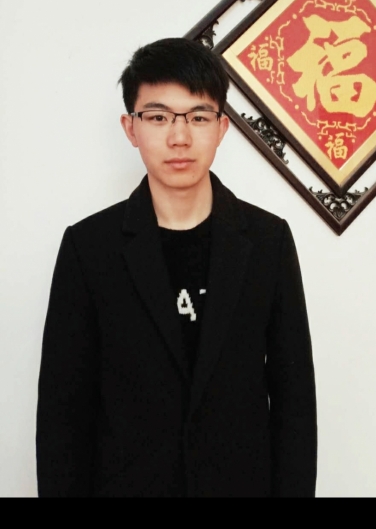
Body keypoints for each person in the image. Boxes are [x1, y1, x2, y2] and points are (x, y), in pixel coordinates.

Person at [36, 37, 317, 497]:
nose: (179, 137)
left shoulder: (268, 242)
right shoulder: (89, 248)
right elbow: (62, 415)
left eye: (198, 117)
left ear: (222, 127)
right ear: (130, 128)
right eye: (158, 117)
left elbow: (295, 405)